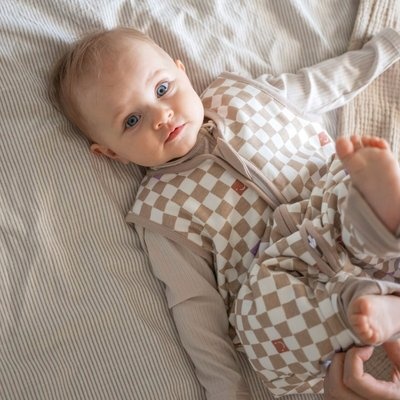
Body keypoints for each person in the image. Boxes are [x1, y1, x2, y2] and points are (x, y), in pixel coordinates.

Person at [51, 26, 400, 399]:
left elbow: (321, 83)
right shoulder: (161, 213)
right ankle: (368, 306)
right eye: (131, 121)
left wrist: (386, 49)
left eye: (162, 89)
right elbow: (196, 310)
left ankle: (384, 215)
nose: (161, 116)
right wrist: (227, 391)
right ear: (111, 153)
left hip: (333, 217)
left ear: (182, 71)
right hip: (288, 281)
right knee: (258, 318)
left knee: (348, 178)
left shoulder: (243, 97)